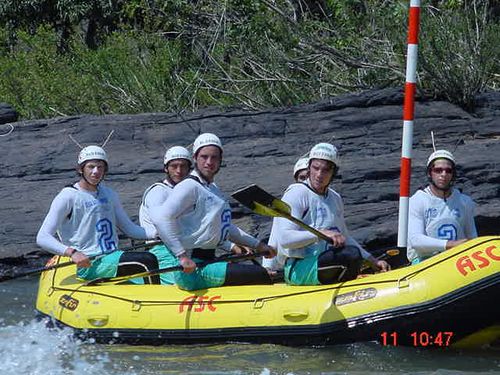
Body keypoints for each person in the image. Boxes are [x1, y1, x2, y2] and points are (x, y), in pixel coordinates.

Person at [150, 133, 276, 290]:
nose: (209, 162)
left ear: (220, 160)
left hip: (209, 262)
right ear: (195, 158)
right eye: (204, 157)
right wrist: (181, 256)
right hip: (193, 270)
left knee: (264, 273)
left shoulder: (213, 189)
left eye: (214, 157)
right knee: (262, 274)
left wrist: (258, 245)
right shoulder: (189, 186)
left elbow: (226, 227)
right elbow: (161, 218)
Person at [36, 145, 160, 284]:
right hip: (89, 264)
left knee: (155, 258)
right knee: (147, 260)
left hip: (112, 257)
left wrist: (158, 233)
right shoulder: (67, 196)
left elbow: (129, 228)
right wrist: (72, 253)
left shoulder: (109, 194)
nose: (96, 171)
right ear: (80, 169)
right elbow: (42, 237)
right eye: (91, 167)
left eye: (100, 167)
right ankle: (158, 301)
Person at [272, 142, 390, 286]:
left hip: (326, 263)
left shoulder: (335, 198)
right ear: (309, 168)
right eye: (316, 168)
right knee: (349, 256)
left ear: (333, 173)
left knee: (352, 254)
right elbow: (285, 238)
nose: (319, 175)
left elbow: (345, 236)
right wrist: (319, 234)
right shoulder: (296, 193)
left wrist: (373, 260)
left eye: (326, 170)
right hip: (300, 267)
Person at [407, 149, 477, 264]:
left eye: (448, 171)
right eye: (438, 170)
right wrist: (451, 244)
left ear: (453, 174)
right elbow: (416, 241)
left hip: (459, 262)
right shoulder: (417, 201)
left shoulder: (465, 202)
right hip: (425, 263)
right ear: (430, 173)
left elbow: (472, 237)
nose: (443, 174)